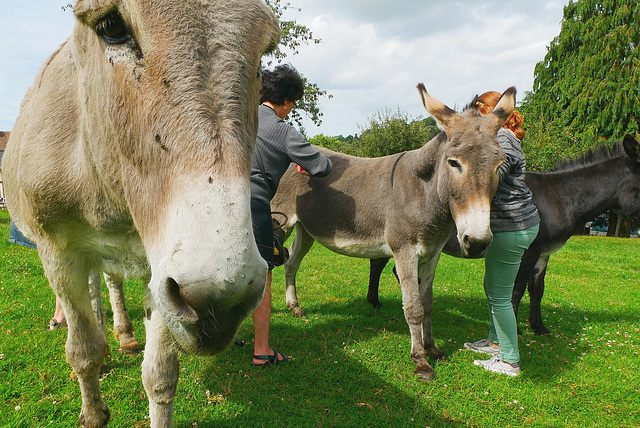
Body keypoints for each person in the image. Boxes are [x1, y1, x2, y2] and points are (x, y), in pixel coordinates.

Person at [249, 64, 332, 366]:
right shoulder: (283, 131)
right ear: (286, 101)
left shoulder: (240, 115)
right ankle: (262, 351)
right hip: (253, 201)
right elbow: (322, 166)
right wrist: (300, 161)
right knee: (263, 275)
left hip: (215, 200)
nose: (291, 109)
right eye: (293, 103)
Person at [463, 91, 540, 377]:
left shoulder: (503, 139)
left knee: (500, 297)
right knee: (493, 287)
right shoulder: (506, 136)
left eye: (476, 111)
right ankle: (495, 343)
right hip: (517, 224)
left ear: (488, 111)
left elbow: (493, 177)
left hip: (511, 227)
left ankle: (509, 361)